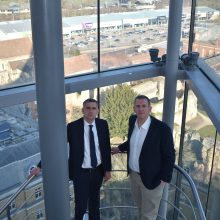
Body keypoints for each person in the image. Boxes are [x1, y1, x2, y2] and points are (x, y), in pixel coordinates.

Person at [30, 98, 112, 220]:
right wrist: (40, 166)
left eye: (93, 108)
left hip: (98, 171)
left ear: (98, 110)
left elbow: (106, 148)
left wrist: (108, 169)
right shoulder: (73, 127)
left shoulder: (102, 124)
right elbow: (57, 146)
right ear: (83, 110)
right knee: (81, 206)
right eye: (88, 108)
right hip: (80, 173)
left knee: (95, 204)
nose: (91, 111)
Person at [112, 95, 175, 220]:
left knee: (148, 216)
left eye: (144, 106)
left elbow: (169, 155)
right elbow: (132, 141)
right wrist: (119, 148)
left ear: (150, 108)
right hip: (134, 176)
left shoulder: (162, 129)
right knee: (140, 209)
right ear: (134, 108)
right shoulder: (132, 121)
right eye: (138, 106)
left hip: (153, 179)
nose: (141, 109)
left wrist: (164, 179)